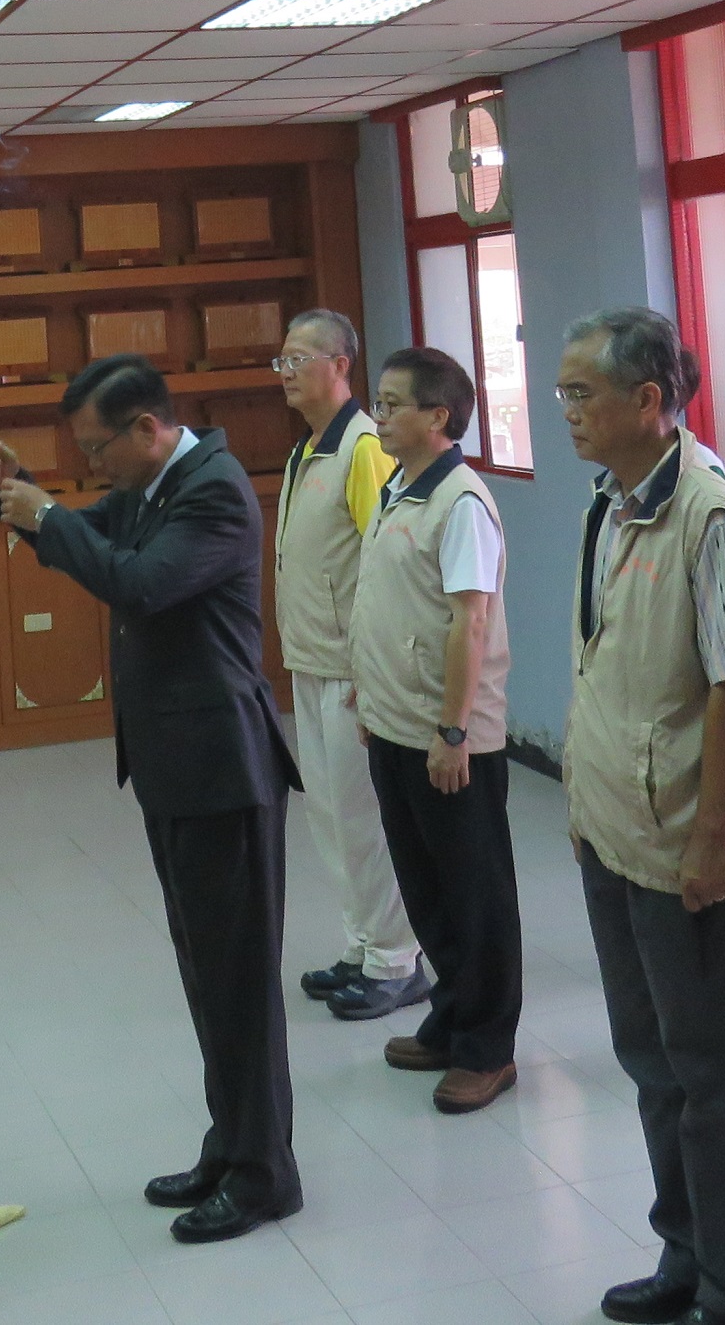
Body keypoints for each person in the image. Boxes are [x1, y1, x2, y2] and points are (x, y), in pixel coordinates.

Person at [0, 358, 303, 1242]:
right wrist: (16, 493)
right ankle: (232, 1143)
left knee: (238, 982)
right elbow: (86, 533)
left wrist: (45, 513)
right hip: (178, 767)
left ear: (148, 428)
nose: (93, 465)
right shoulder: (153, 485)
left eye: (97, 448)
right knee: (206, 972)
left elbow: (141, 582)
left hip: (224, 769)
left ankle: (265, 1174)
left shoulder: (214, 490)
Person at [557, 312, 725, 1325]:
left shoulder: (710, 517)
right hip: (615, 825)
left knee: (717, 1074)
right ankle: (685, 1250)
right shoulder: (608, 501)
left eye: (581, 394)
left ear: (648, 401)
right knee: (652, 1061)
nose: (566, 411)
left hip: (685, 842)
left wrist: (711, 839)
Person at [353, 345, 522, 1115]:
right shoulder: (400, 486)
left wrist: (453, 731)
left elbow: (469, 622)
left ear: (439, 416)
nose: (379, 415)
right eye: (380, 402)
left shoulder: (460, 502)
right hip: (396, 722)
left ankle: (488, 1049)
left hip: (448, 736)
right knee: (426, 888)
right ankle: (451, 1019)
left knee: (473, 896)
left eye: (393, 405)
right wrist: (373, 700)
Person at [269, 308, 423, 1022]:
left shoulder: (363, 449)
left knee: (364, 820)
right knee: (330, 818)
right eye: (282, 360)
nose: (286, 372)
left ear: (340, 365)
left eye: (299, 359)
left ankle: (397, 959)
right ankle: (362, 944)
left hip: (351, 671)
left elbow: (385, 561)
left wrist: (371, 669)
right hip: (310, 660)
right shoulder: (307, 450)